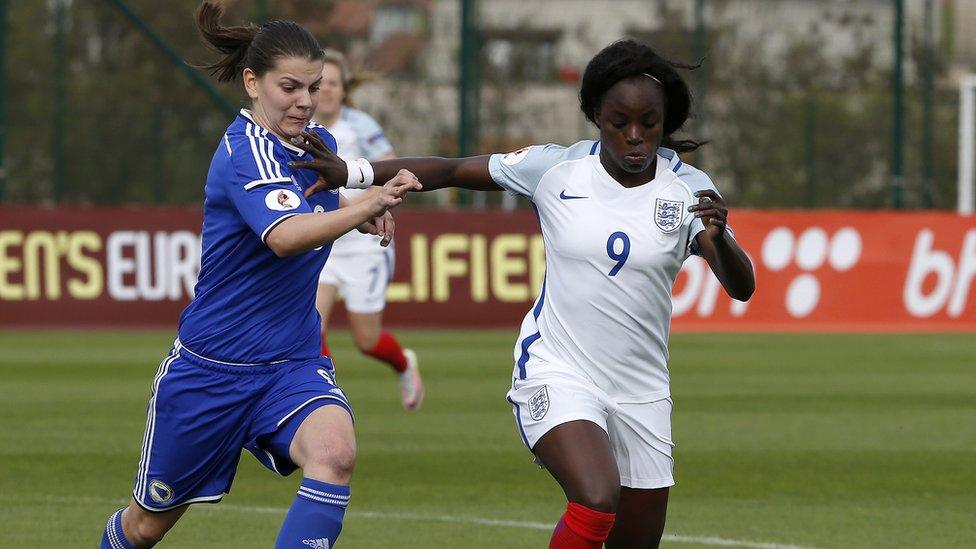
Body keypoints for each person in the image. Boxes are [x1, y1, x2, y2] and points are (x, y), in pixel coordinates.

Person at [292, 39, 756, 548]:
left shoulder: (688, 188)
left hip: (642, 391)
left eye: (648, 122)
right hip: (558, 371)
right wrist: (353, 173)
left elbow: (742, 286)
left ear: (665, 120)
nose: (635, 136)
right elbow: (448, 169)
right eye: (619, 122)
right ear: (595, 115)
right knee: (596, 496)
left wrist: (718, 239)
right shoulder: (555, 170)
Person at [98, 3, 420, 548]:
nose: (304, 101)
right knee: (145, 526)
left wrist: (353, 203)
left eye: (313, 88)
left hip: (290, 363)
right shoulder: (244, 150)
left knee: (335, 452)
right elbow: (285, 235)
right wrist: (366, 207)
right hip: (212, 370)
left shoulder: (317, 144)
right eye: (289, 87)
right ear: (252, 82)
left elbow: (314, 197)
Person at [312, 49, 423, 411]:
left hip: (364, 246)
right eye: (320, 83)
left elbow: (392, 172)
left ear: (344, 89)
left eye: (333, 83)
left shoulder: (360, 125)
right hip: (323, 241)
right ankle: (321, 399)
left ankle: (404, 364)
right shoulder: (304, 126)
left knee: (367, 340)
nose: (326, 90)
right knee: (311, 330)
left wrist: (363, 208)